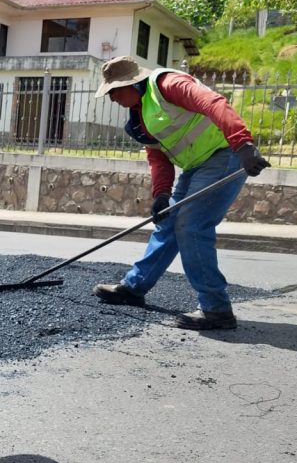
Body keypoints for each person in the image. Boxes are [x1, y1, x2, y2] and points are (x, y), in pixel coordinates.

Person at [91, 55, 270, 330]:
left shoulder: (167, 84)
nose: (112, 98)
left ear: (131, 83)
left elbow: (213, 103)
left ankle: (216, 308)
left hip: (225, 155)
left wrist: (243, 144)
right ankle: (134, 288)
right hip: (195, 165)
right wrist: (162, 194)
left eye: (114, 91)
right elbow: (158, 158)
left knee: (191, 225)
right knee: (169, 223)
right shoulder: (138, 119)